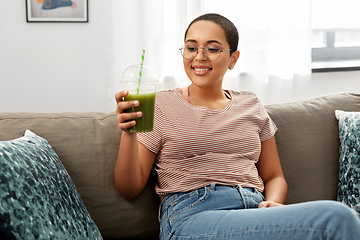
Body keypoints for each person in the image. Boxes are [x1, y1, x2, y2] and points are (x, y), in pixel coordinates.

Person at [115, 13, 360, 240]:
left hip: (254, 212)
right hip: (191, 216)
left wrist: (272, 204)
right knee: (336, 219)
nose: (199, 56)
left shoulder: (251, 104)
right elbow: (129, 188)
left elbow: (274, 176)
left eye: (212, 49)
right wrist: (128, 134)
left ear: (233, 58)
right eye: (191, 48)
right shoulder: (160, 105)